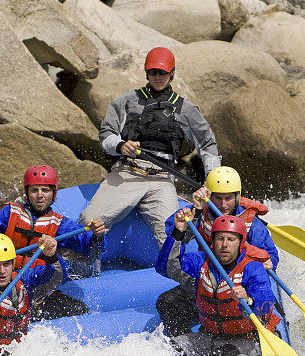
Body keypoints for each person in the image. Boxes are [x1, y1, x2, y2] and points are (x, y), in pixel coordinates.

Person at [78, 47, 220, 249]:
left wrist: (212, 181)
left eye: (163, 72)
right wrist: (120, 145)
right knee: (90, 221)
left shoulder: (186, 110)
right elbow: (106, 136)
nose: (158, 77)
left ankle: (180, 276)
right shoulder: (125, 101)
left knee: (175, 234)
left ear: (172, 73)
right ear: (146, 73)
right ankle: (88, 263)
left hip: (162, 179)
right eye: (153, 72)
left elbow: (207, 144)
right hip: (128, 172)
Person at [0, 166, 106, 319]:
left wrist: (96, 236)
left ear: (54, 194)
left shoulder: (59, 224)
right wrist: (0, 259)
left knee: (78, 308)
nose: (40, 195)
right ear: (26, 194)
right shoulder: (8, 215)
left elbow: (91, 251)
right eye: (34, 190)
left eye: (45, 190)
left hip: (37, 284)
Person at [156, 166, 280, 337]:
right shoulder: (200, 211)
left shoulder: (252, 224)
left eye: (228, 198)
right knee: (168, 302)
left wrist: (266, 268)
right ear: (210, 196)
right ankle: (184, 344)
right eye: (218, 198)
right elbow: (172, 238)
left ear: (237, 196)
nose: (223, 205)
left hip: (240, 282)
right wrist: (196, 210)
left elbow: (269, 257)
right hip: (208, 276)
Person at [155, 214, 281, 356]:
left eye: (231, 239)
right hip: (211, 336)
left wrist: (248, 299)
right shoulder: (201, 261)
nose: (225, 245)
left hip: (247, 340)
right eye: (220, 238)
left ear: (241, 243)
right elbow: (166, 267)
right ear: (213, 242)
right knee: (169, 351)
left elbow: (266, 302)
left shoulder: (252, 267)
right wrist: (178, 232)